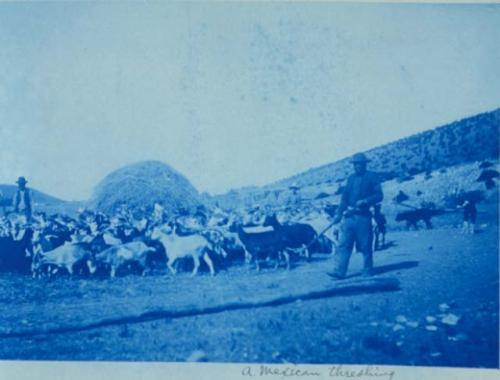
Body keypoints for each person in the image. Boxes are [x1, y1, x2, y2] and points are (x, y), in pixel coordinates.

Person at [328, 153, 383, 279]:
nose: (357, 166)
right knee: (343, 244)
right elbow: (344, 199)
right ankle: (340, 271)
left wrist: (365, 201)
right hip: (349, 217)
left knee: (365, 245)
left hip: (363, 217)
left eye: (359, 164)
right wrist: (338, 214)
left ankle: (368, 270)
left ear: (365, 164)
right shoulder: (351, 178)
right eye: (355, 164)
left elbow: (379, 195)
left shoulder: (372, 177)